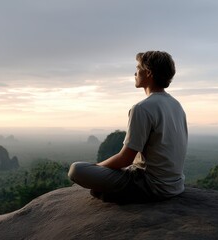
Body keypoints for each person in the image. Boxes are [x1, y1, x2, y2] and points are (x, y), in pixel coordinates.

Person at [68, 51, 188, 203]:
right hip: (175, 186)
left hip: (150, 186)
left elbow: (125, 159)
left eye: (138, 68)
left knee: (76, 170)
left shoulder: (142, 108)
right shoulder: (176, 105)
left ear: (149, 73)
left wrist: (97, 168)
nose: (135, 72)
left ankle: (117, 194)